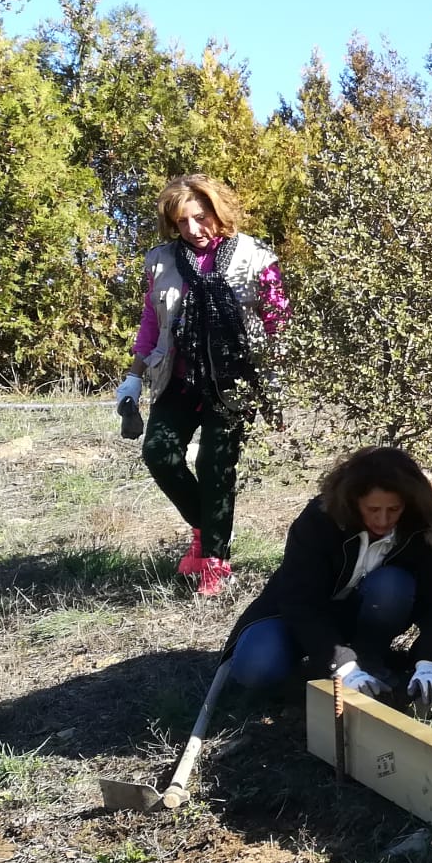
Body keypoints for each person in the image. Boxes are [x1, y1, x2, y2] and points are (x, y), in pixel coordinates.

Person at [114, 175, 288, 598]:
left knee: (215, 465)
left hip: (233, 381)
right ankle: (205, 528)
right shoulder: (161, 261)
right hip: (176, 377)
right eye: (182, 222)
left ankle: (214, 560)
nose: (193, 229)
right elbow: (152, 322)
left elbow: (277, 319)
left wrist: (276, 379)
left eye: (200, 217)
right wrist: (134, 376)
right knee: (159, 453)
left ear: (217, 211)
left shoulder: (256, 256)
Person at [223, 447, 432, 710]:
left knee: (392, 585)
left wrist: (430, 663)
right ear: (353, 501)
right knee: (256, 668)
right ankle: (320, 673)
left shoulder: (424, 527)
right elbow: (299, 601)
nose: (383, 519)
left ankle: (370, 658)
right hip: (296, 616)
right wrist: (343, 666)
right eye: (372, 509)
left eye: (393, 509)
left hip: (366, 612)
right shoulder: (319, 522)